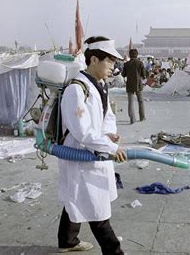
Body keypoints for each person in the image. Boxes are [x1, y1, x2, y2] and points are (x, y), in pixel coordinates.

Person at [58, 36, 126, 254]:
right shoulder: (76, 89)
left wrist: (109, 135)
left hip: (96, 149)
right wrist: (112, 148)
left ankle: (67, 241)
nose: (113, 67)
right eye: (110, 62)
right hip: (81, 153)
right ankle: (114, 251)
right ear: (94, 59)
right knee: (98, 209)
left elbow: (108, 116)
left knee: (76, 197)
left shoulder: (101, 85)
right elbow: (82, 131)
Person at [122, 48, 146, 124]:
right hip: (138, 85)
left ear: (130, 55)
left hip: (129, 85)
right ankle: (142, 117)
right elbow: (144, 75)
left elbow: (123, 74)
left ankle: (132, 120)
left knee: (130, 102)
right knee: (141, 101)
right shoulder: (140, 63)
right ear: (137, 55)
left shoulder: (126, 64)